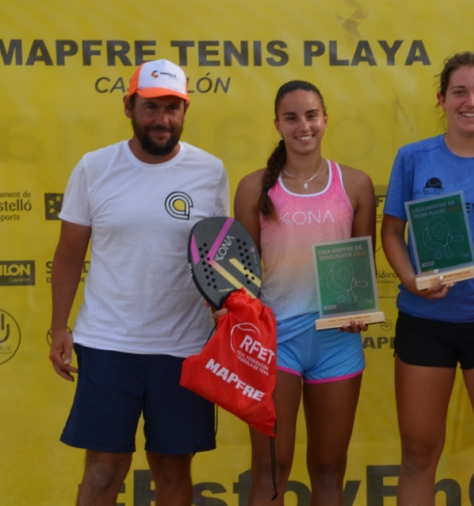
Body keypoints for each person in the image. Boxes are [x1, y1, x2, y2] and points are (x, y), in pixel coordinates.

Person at [49, 59, 229, 506]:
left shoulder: (210, 171)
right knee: (103, 469)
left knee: (172, 470)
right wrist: (59, 327)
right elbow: (69, 254)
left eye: (172, 107)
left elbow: (216, 258)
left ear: (185, 111)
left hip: (184, 349)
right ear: (129, 105)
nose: (162, 119)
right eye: (151, 107)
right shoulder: (94, 167)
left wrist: (226, 312)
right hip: (108, 345)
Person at [380, 52, 474, 506]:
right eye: (460, 92)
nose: (471, 101)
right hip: (425, 323)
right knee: (418, 453)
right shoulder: (412, 158)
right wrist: (410, 280)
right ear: (442, 99)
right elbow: (391, 231)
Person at [232, 80, 376, 505]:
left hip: (338, 341)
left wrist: (359, 309)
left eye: (311, 115)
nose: (303, 126)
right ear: (277, 124)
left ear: (325, 120)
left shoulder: (355, 184)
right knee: (271, 470)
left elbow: (360, 266)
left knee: (330, 471)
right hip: (275, 342)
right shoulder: (253, 187)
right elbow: (241, 275)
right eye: (291, 117)